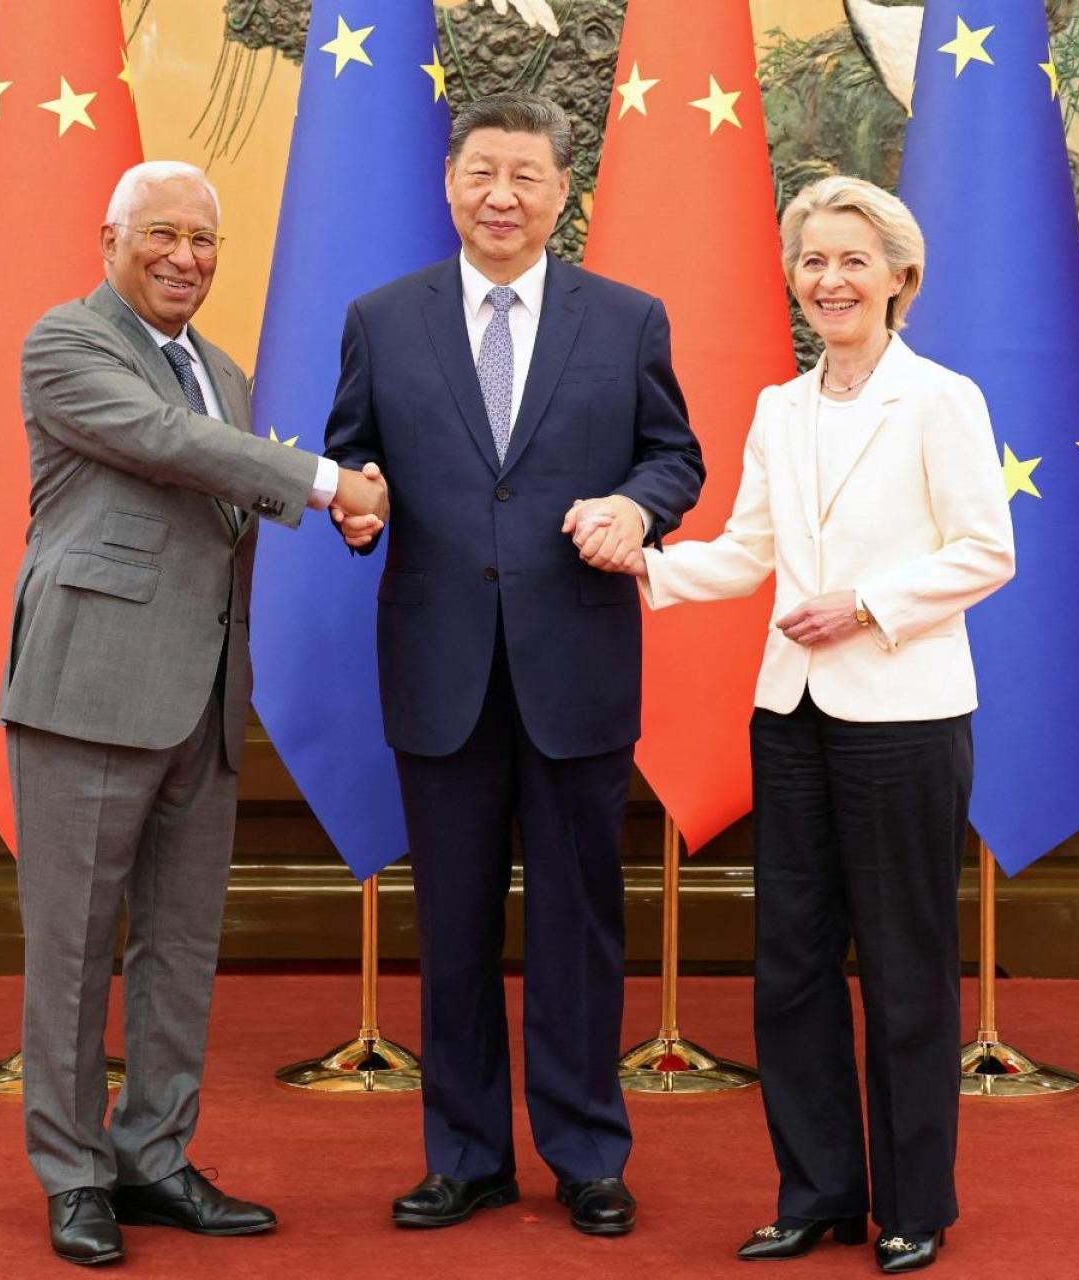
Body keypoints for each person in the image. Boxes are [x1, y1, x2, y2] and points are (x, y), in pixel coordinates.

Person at [603, 175, 1013, 1273]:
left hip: (903, 717)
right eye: (811, 262)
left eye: (851, 261)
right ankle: (816, 1189)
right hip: (787, 713)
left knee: (902, 964)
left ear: (898, 280)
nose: (828, 279)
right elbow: (745, 549)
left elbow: (986, 550)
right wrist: (637, 559)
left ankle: (913, 1203)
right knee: (785, 964)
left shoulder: (941, 399)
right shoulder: (778, 407)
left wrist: (870, 605)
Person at [323, 92, 704, 1237]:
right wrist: (356, 505)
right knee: (451, 924)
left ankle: (586, 1150)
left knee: (580, 924)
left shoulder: (626, 317)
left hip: (575, 666)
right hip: (438, 670)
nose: (501, 195)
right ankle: (465, 1153)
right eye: (482, 172)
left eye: (525, 175)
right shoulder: (382, 318)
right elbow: (351, 453)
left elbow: (672, 457)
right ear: (448, 183)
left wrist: (638, 511)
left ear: (560, 190)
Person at [0, 159, 388, 1266]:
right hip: (88, 688)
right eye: (160, 234)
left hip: (205, 693)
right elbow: (169, 445)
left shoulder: (220, 366)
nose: (184, 257)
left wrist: (339, 512)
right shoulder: (64, 342)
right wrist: (326, 485)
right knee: (73, 950)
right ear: (109, 235)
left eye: (204, 241)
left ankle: (154, 1157)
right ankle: (73, 1175)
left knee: (179, 945)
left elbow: (226, 487)